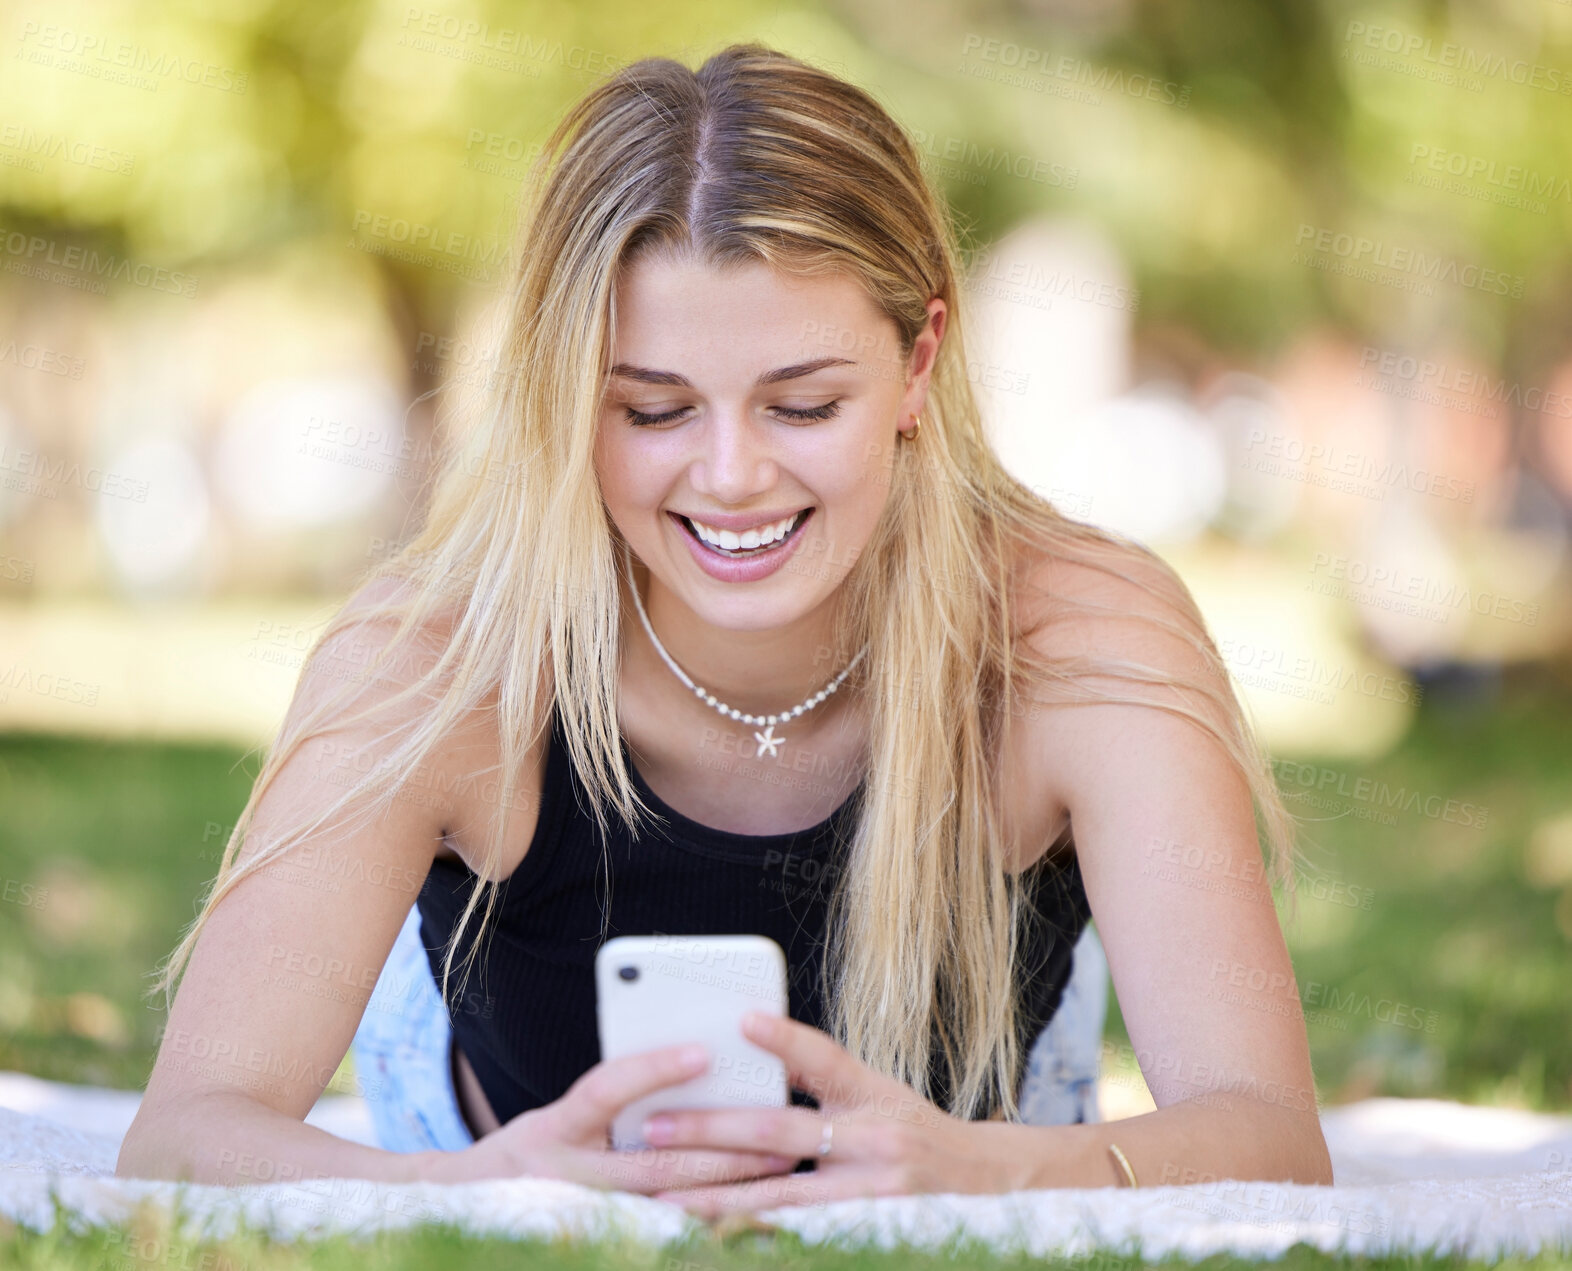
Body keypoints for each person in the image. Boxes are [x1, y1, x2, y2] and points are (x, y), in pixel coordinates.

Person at [115, 42, 1333, 1213]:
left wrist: (998, 1171)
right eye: (651, 410)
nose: (733, 473)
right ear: (564, 392)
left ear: (919, 363)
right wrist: (481, 1191)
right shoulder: (432, 663)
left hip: (984, 1127)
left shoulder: (1084, 638)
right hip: (483, 1130)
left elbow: (1267, 1133)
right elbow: (185, 1134)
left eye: (803, 402)